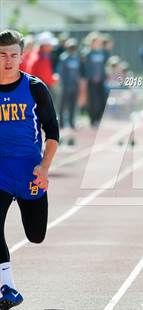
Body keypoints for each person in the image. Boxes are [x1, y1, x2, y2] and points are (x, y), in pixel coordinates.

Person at [0, 29, 59, 309]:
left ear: (22, 57)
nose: (7, 61)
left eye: (12, 55)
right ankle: (7, 288)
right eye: (1, 55)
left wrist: (45, 168)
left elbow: (53, 134)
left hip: (30, 174)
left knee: (36, 235)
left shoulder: (35, 88)